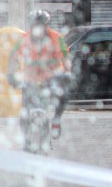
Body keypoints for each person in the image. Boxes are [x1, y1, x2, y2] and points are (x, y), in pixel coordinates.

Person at [8, 10, 71, 140]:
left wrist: (67, 73)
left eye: (42, 25)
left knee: (63, 95)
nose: (39, 29)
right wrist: (11, 75)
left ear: (47, 26)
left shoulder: (56, 38)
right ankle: (26, 138)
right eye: (35, 25)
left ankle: (56, 121)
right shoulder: (24, 39)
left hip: (51, 77)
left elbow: (65, 59)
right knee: (24, 111)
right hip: (30, 79)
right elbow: (13, 59)